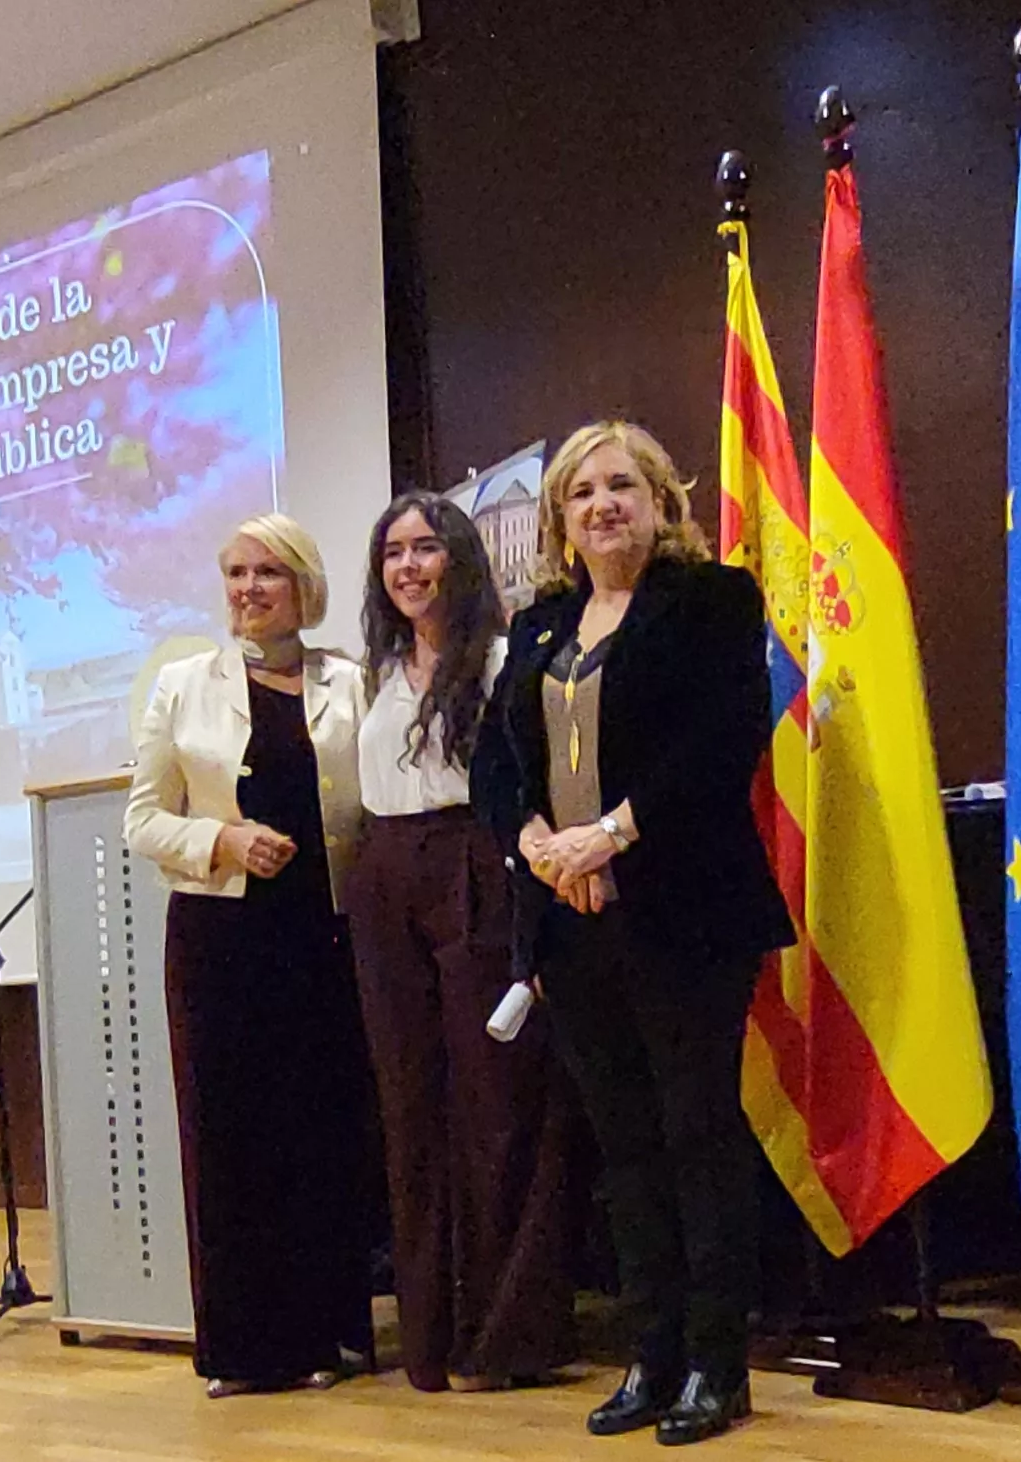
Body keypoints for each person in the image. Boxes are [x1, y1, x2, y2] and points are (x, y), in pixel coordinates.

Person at [472, 422, 793, 1446]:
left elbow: (724, 736)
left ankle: (716, 1364)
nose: (600, 503)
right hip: (567, 924)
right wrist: (537, 844)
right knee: (625, 1149)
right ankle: (650, 1357)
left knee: (696, 1137)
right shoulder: (537, 623)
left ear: (662, 500)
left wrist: (610, 835)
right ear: (559, 521)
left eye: (621, 485)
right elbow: (494, 763)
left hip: (683, 910)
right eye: (580, 492)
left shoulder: (713, 600)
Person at [123, 513, 383, 1397]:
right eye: (234, 573)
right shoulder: (181, 686)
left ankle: (326, 1335)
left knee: (323, 1131)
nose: (247, 589)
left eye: (266, 572)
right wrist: (221, 842)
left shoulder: (349, 680)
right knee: (229, 1136)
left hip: (326, 933)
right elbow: (143, 819)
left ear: (302, 585)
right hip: (221, 939)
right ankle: (241, 1347)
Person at [347, 492, 580, 1393]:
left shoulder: (497, 659)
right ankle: (432, 1335)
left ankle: (506, 1334)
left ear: (461, 559)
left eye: (426, 548)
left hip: (475, 865)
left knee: (497, 1100)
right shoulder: (376, 669)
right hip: (384, 878)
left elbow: (524, 779)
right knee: (409, 1107)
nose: (408, 566)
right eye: (393, 552)